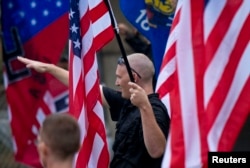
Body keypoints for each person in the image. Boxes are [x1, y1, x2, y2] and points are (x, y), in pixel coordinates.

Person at [18, 53, 170, 168]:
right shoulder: (127, 102)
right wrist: (49, 68)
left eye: (119, 77)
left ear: (134, 78)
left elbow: (157, 150)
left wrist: (144, 107)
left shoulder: (155, 110)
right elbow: (85, 88)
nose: (116, 82)